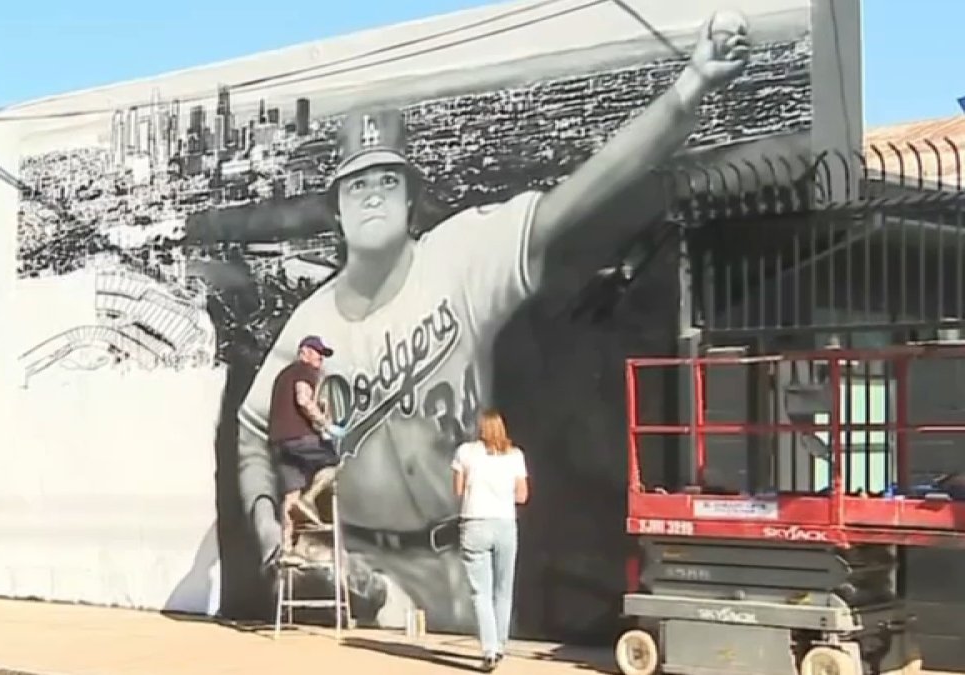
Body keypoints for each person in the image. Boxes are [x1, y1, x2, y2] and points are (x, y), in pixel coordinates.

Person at [238, 12, 752, 629]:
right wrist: (271, 532)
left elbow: (575, 201)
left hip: (464, 554)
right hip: (360, 567)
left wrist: (687, 91)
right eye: (355, 186)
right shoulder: (308, 322)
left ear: (411, 197)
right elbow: (252, 435)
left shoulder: (461, 253)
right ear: (337, 210)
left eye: (386, 179)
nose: (372, 195)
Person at [452, 409, 529, 671]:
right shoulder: (515, 455)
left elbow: (458, 490)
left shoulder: (465, 452)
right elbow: (522, 496)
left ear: (480, 429)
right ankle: (501, 643)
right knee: (503, 590)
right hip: (505, 524)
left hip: (474, 523)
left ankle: (489, 649)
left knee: (480, 592)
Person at [265, 335, 346, 566]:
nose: (320, 358)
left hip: (278, 443)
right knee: (334, 462)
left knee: (291, 493)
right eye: (316, 352)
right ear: (304, 352)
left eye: (322, 354)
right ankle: (309, 500)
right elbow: (302, 400)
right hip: (298, 438)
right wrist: (325, 424)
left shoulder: (283, 375)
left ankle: (287, 550)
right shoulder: (304, 370)